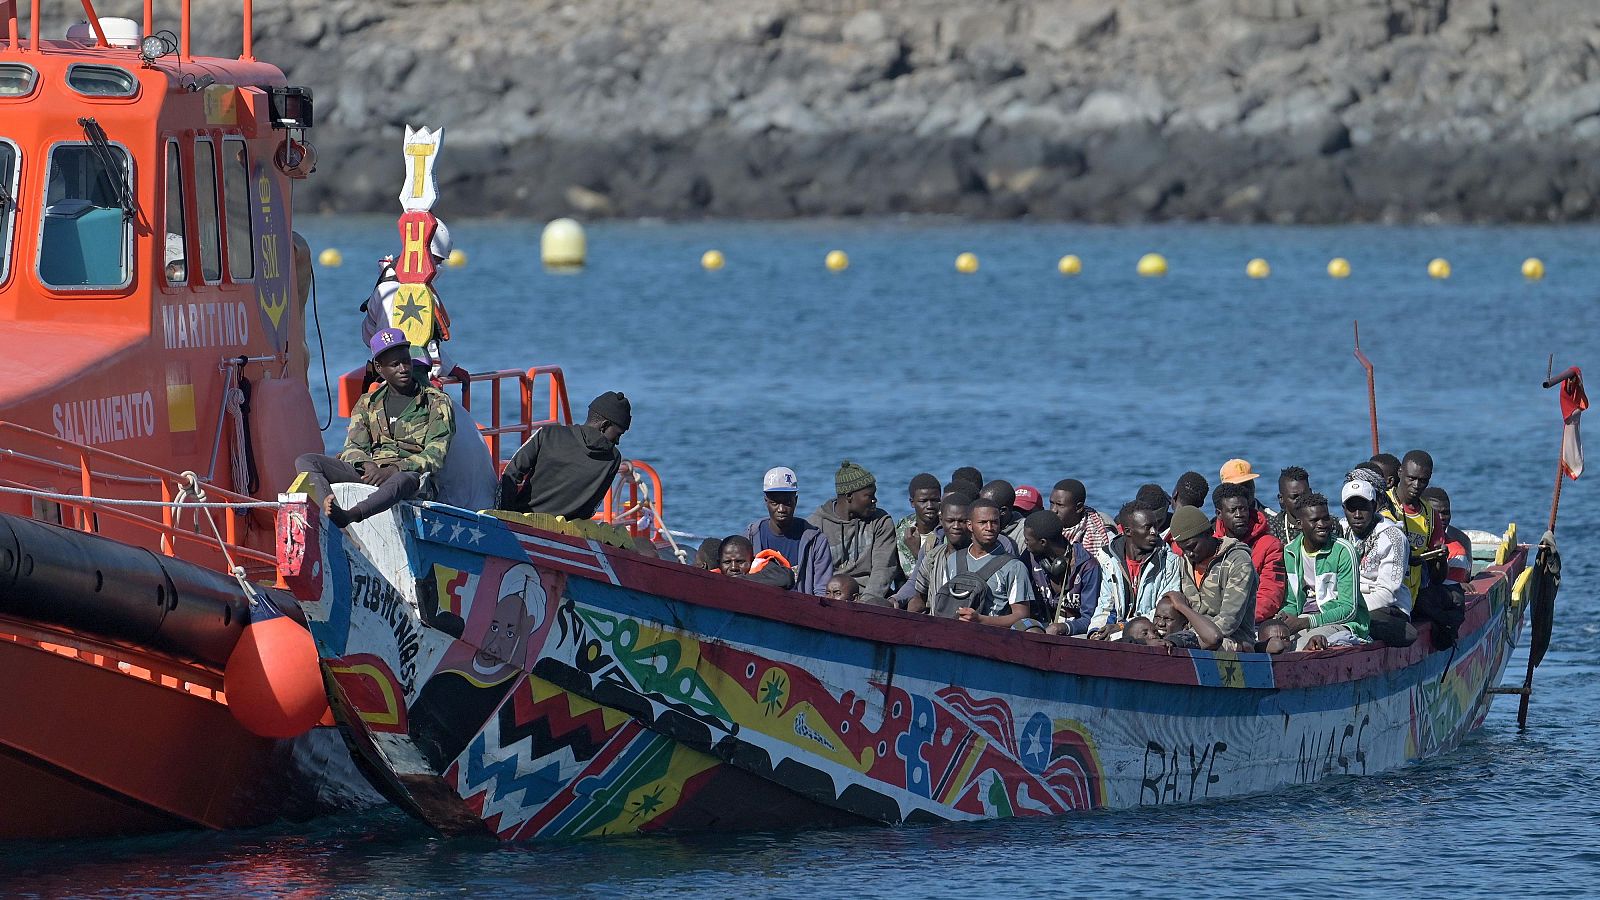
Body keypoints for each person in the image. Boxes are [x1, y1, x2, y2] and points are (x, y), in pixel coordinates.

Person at [297, 328, 455, 528]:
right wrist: (369, 466)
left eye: (406, 361)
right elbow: (352, 447)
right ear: (380, 369)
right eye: (394, 364)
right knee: (307, 461)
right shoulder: (367, 403)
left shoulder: (436, 402)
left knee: (402, 480)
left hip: (414, 478)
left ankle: (351, 515)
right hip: (372, 472)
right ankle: (330, 513)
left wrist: (394, 469)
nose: (403, 369)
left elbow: (436, 453)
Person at [498, 391, 629, 519]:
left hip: (522, 521)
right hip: (566, 533)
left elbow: (510, 474)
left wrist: (506, 519)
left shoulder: (547, 434)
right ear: (604, 426)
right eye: (618, 434)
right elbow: (589, 511)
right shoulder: (613, 459)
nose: (617, 441)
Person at [1281, 493, 1370, 649]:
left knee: (1303, 645)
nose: (1322, 524)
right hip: (1305, 618)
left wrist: (1307, 622)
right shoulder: (1290, 552)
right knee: (1272, 641)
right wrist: (1283, 618)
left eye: (1326, 518)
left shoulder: (1344, 551)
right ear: (1300, 524)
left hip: (1345, 622)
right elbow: (1292, 603)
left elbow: (1349, 609)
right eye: (1314, 520)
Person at [1339, 478, 1416, 647]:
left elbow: (1388, 593)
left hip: (1387, 608)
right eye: (1352, 508)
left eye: (1363, 507)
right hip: (1346, 604)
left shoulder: (1393, 537)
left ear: (1374, 506)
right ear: (1344, 509)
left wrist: (1346, 610)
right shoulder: (1339, 530)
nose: (1357, 514)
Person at [1169, 505, 1258, 650]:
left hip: (1233, 639)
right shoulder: (1184, 563)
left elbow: (1229, 621)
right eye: (1183, 549)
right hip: (1190, 634)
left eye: (1192, 546)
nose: (1189, 554)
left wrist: (1184, 639)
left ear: (1209, 533)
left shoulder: (1238, 562)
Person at [809, 461, 898, 604]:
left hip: (870, 598)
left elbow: (883, 570)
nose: (875, 500)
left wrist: (865, 602)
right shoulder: (816, 525)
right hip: (832, 597)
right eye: (869, 495)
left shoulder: (881, 522)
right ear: (849, 496)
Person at [1087, 501, 1182, 635]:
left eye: (1155, 526)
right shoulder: (1108, 559)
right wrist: (1096, 632)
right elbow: (1105, 606)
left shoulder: (1169, 561)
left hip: (1153, 633)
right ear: (1128, 531)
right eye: (1147, 527)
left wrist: (1122, 627)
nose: (1154, 532)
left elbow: (1163, 613)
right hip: (1118, 632)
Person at [746, 467, 833, 596]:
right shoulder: (752, 535)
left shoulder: (816, 541)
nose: (781, 509)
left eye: (787, 502)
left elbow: (821, 590)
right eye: (774, 503)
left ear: (796, 501)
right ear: (766, 502)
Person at [1213, 481, 1286, 622]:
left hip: (1251, 621)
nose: (1239, 515)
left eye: (1243, 509)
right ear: (1219, 514)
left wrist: (1232, 620)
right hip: (1214, 621)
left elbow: (1270, 596)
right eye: (1232, 510)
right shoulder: (1211, 546)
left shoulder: (1269, 545)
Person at [1019, 510, 1101, 636]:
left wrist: (1063, 628)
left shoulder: (1087, 566)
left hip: (1074, 633)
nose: (1025, 543)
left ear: (1043, 542)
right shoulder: (1029, 558)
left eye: (1027, 540)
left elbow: (1090, 618)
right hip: (1040, 625)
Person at [1385, 450, 1447, 602]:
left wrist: (1440, 559)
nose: (1417, 485)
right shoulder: (1382, 503)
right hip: (1382, 597)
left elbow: (1438, 578)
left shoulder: (1431, 516)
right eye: (1411, 479)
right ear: (1400, 472)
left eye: (1423, 481)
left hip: (1410, 600)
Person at [900, 493, 974, 612]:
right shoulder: (933, 556)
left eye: (962, 521)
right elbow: (919, 598)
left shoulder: (979, 555)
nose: (956, 526)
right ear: (941, 520)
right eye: (950, 521)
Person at [896, 473, 944, 579]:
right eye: (923, 501)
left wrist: (916, 551)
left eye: (935, 500)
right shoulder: (901, 530)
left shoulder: (947, 530)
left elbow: (937, 577)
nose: (930, 506)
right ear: (912, 503)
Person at [1422, 486, 1473, 584]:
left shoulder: (1456, 553)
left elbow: (1447, 591)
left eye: (1445, 513)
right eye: (1436, 513)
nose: (1441, 518)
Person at [1050, 479, 1111, 553]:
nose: (1053, 510)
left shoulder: (1102, 532)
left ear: (1078, 508)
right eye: (1052, 503)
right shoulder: (1042, 529)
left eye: (1060, 505)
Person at [1151, 591, 1224, 650]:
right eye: (1157, 617)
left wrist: (1181, 606)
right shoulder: (1146, 633)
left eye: (1168, 619)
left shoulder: (1187, 641)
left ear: (1185, 625)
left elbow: (1214, 637)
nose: (1160, 623)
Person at [1268, 466, 1312, 544]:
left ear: (1311, 493)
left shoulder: (1326, 523)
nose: (1301, 500)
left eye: (1304, 495)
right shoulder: (1272, 527)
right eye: (1294, 497)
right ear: (1281, 499)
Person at [979, 480, 1026, 547]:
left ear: (1003, 511)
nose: (980, 510)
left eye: (986, 506)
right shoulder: (978, 525)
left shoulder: (1024, 534)